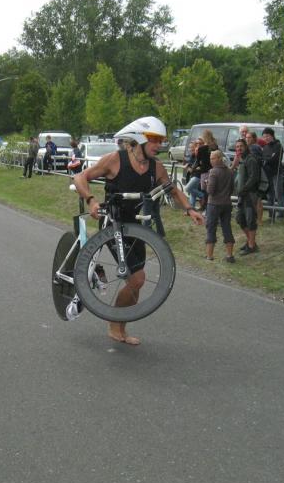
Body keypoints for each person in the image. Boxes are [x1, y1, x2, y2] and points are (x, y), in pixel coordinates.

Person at [74, 116, 204, 345]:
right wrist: (91, 200)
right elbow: (80, 177)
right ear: (139, 139)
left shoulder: (156, 167)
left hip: (136, 227)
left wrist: (190, 209)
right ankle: (114, 324)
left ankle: (120, 327)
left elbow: (173, 190)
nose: (159, 145)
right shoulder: (115, 160)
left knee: (137, 282)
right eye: (154, 139)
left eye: (161, 140)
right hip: (113, 224)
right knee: (138, 278)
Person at [204, 150, 236, 262]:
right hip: (227, 203)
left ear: (219, 158)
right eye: (210, 158)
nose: (211, 160)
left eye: (213, 158)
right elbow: (232, 189)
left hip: (214, 204)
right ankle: (229, 255)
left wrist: (207, 183)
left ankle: (209, 256)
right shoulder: (230, 171)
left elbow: (210, 191)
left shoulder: (213, 172)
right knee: (227, 227)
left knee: (211, 228)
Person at [235, 139, 261, 255]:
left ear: (246, 146)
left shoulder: (251, 159)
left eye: (241, 146)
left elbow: (253, 177)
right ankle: (252, 242)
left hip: (250, 194)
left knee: (250, 221)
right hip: (242, 195)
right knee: (240, 219)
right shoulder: (242, 159)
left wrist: (244, 189)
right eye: (237, 147)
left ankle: (251, 246)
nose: (239, 148)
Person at [261, 127, 284, 221]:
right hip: (267, 174)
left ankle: (280, 215)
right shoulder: (265, 147)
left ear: (272, 136)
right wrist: (268, 159)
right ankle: (271, 215)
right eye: (264, 136)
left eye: (267, 136)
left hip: (276, 173)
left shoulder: (278, 146)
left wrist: (267, 159)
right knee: (269, 195)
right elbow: (264, 158)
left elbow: (274, 159)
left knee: (278, 194)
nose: (265, 138)